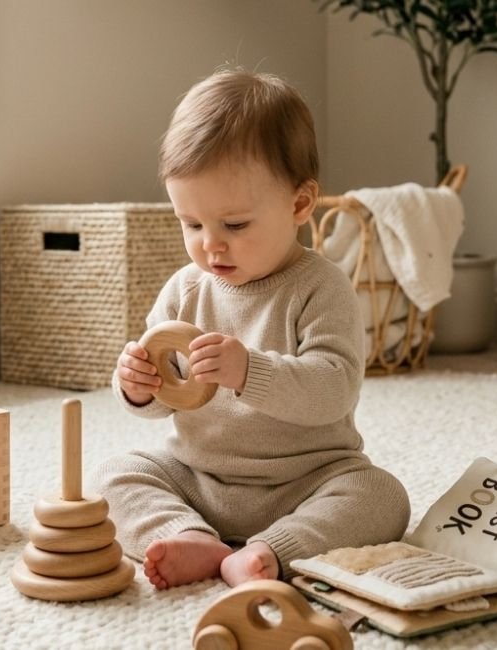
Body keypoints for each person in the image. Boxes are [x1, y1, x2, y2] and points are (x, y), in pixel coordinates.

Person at [94, 68, 410, 590]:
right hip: (197, 476)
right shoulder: (184, 290)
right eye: (191, 224)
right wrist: (136, 385)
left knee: (381, 496)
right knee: (112, 476)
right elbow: (164, 395)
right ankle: (192, 536)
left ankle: (271, 550)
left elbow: (333, 390)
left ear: (300, 204)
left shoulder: (322, 287)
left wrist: (250, 371)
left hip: (305, 481)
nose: (210, 245)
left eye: (234, 225)